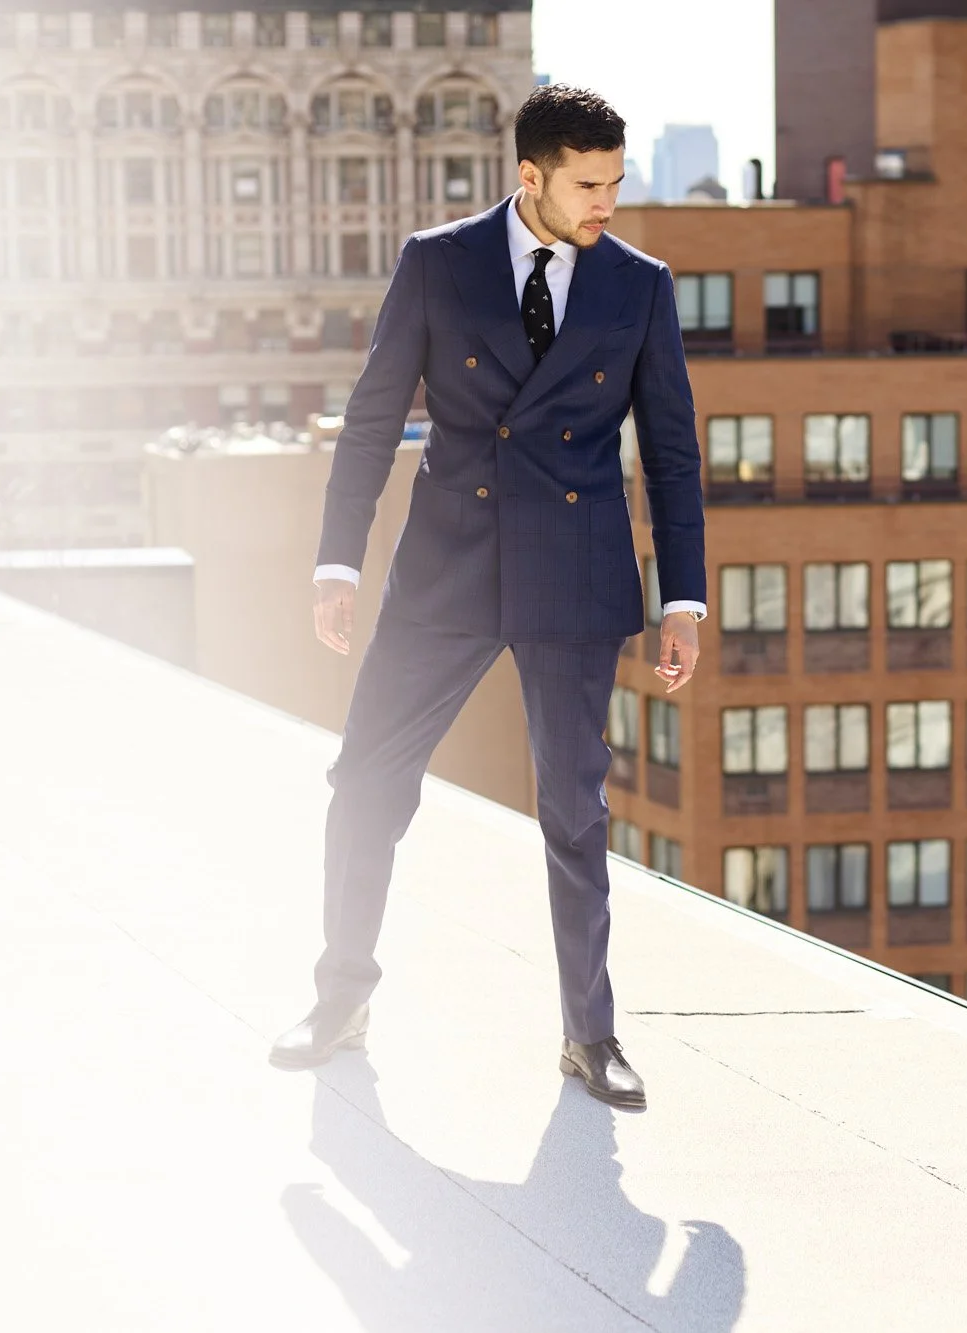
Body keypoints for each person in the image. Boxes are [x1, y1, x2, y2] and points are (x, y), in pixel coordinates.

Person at [268, 85, 706, 1110]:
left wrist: (681, 594)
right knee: (365, 779)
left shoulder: (638, 285)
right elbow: (373, 416)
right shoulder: (437, 262)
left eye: (615, 183)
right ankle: (341, 998)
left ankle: (589, 1036)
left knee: (572, 810)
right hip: (448, 570)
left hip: (576, 572)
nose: (607, 204)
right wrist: (337, 562)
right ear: (531, 176)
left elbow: (672, 452)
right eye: (588, 185)